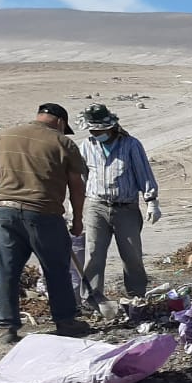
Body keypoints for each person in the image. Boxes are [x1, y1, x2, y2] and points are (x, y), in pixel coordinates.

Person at [0, 102, 92, 343]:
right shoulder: (63, 142)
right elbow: (77, 186)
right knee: (56, 268)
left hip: (6, 212)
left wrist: (16, 185)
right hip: (44, 213)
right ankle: (65, 321)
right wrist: (78, 220)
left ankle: (7, 328)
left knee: (7, 270)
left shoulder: (5, 135)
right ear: (61, 122)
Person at [76, 104, 160, 305]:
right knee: (94, 254)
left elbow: (143, 173)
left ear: (110, 127)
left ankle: (136, 295)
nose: (95, 133)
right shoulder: (87, 146)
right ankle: (91, 298)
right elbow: (82, 177)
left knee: (131, 255)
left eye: (98, 130)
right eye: (92, 130)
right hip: (97, 206)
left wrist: (151, 201)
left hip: (126, 208)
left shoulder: (131, 144)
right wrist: (75, 206)